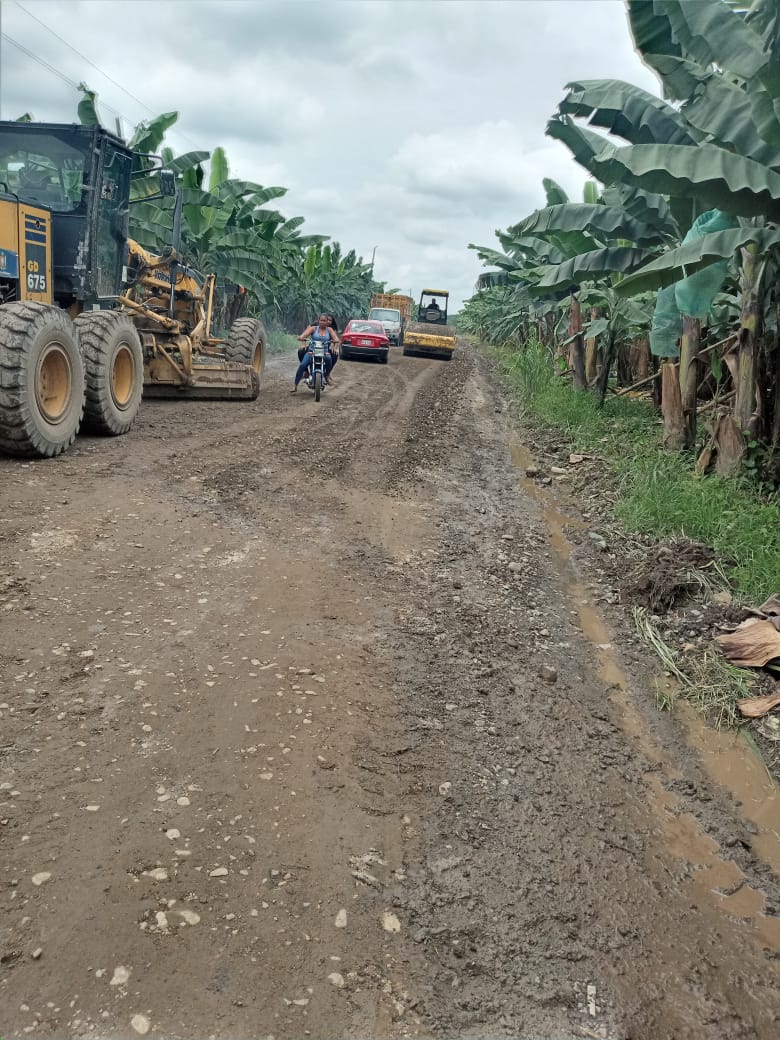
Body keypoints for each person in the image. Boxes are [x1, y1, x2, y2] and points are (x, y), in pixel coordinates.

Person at [292, 314, 340, 392]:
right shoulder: (313, 328)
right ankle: (295, 385)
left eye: (325, 321)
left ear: (327, 322)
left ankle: (327, 375)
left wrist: (335, 341)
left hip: (324, 352)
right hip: (312, 352)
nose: (323, 322)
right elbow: (303, 335)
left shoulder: (330, 330)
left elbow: (336, 338)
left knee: (329, 359)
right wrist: (301, 338)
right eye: (321, 320)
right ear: (318, 321)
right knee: (303, 365)